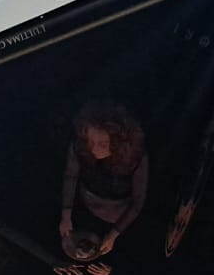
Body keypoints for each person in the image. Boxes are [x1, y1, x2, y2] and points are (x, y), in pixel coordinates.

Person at [59, 102, 148, 258]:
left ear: (118, 141)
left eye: (103, 144)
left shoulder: (134, 156)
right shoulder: (81, 147)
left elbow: (138, 201)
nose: (94, 150)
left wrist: (114, 233)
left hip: (120, 219)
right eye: (91, 142)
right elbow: (70, 177)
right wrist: (66, 215)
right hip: (85, 209)